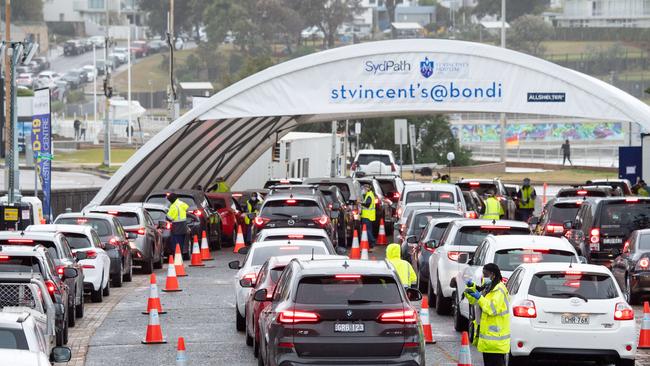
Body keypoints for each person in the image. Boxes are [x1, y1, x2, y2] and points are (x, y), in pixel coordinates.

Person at [464, 263, 510, 366]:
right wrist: (471, 289)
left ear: (493, 274)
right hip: (489, 340)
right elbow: (475, 301)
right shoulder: (489, 287)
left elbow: (491, 309)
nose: (484, 276)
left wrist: (479, 297)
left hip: (496, 341)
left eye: (485, 274)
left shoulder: (499, 290)